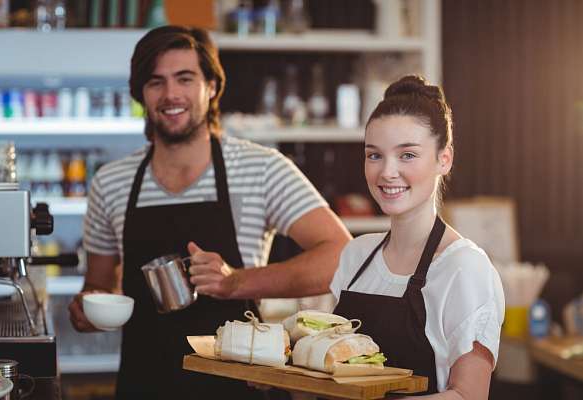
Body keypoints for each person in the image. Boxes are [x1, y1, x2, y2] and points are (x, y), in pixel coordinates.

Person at [68, 25, 351, 399]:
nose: (171, 94)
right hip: (144, 381)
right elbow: (99, 284)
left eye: (185, 78)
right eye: (156, 82)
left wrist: (236, 281)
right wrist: (87, 308)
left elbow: (340, 255)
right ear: (141, 93)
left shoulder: (260, 168)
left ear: (212, 87)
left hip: (239, 384)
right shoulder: (112, 182)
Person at [330, 75, 505, 398]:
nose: (387, 172)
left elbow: (469, 395)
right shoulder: (356, 256)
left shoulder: (464, 268)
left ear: (444, 158)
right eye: (374, 155)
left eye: (407, 155)